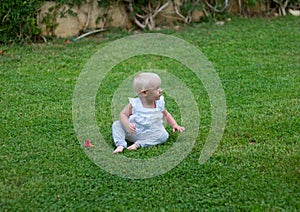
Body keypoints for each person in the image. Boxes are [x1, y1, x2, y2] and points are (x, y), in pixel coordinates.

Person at [112, 72, 185, 153]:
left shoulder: (159, 104)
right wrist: (127, 125)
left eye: (160, 87)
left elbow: (166, 114)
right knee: (117, 124)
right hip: (133, 131)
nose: (161, 90)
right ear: (144, 93)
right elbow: (123, 114)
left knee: (163, 135)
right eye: (157, 88)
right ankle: (120, 144)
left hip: (150, 133)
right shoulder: (135, 104)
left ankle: (139, 144)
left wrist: (174, 125)